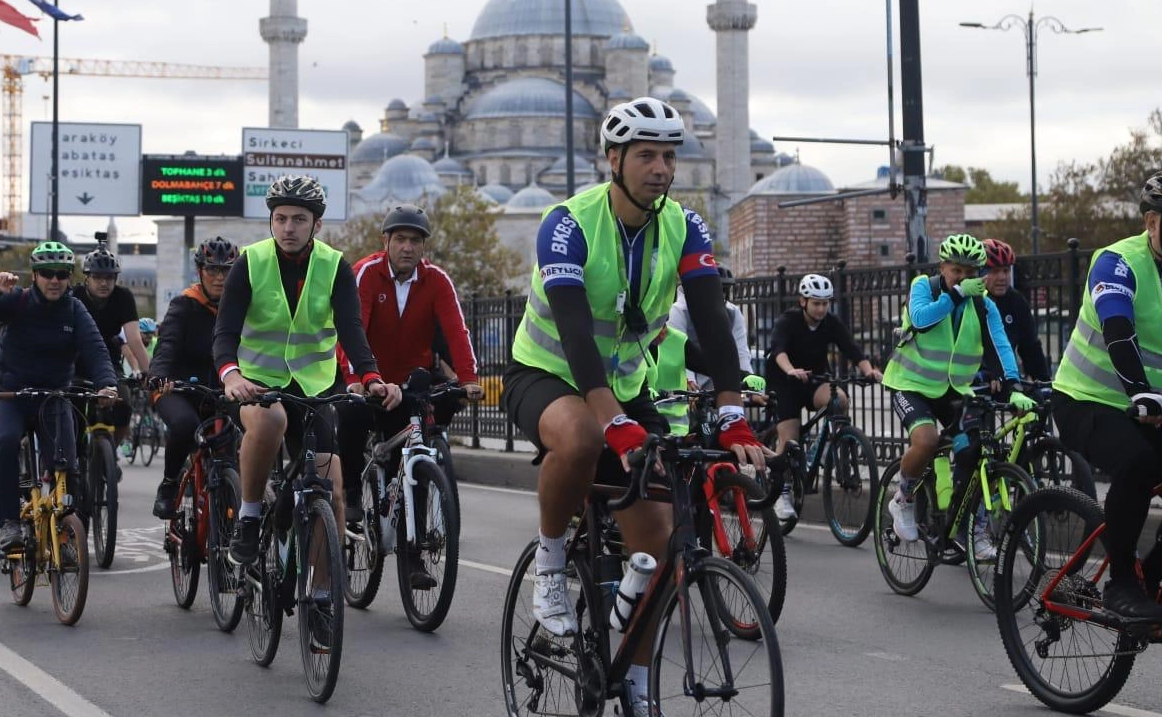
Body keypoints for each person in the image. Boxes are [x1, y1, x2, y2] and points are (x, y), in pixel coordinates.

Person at [502, 97, 766, 717]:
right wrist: (611, 419)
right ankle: (551, 560)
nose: (661, 168)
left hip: (625, 385)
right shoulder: (568, 223)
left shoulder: (685, 225)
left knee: (663, 540)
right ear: (613, 159)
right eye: (646, 155)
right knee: (581, 437)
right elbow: (574, 333)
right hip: (546, 373)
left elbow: (712, 323)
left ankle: (639, 686)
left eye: (669, 156)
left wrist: (732, 414)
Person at [1052, 167, 1162, 639]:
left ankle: (1146, 588)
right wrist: (1138, 389)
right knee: (1137, 463)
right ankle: (1120, 585)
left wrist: (1152, 400)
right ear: (1152, 222)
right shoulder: (1117, 262)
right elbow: (1118, 330)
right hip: (1088, 400)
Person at [211, 176, 395, 613]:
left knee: (332, 491)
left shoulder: (334, 266)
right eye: (280, 219)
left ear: (317, 224)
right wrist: (231, 375)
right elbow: (225, 332)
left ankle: (321, 594)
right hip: (256, 382)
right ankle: (250, 517)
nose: (288, 227)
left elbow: (351, 329)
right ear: (271, 221)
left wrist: (371, 377)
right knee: (272, 420)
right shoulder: (250, 262)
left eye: (298, 219)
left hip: (315, 385)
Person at [337, 204, 483, 590]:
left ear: (423, 246)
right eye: (400, 239)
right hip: (365, 377)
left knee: (414, 460)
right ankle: (351, 490)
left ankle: (413, 556)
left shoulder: (436, 280)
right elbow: (351, 329)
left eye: (415, 240)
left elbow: (456, 331)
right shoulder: (366, 273)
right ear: (385, 241)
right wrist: (357, 379)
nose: (407, 247)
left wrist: (468, 379)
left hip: (407, 384)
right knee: (351, 418)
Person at [0, 242, 118, 554]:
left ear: (69, 277)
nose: (54, 280)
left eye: (61, 274)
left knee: (67, 463)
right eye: (47, 273)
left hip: (53, 394)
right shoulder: (17, 300)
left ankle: (68, 527)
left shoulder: (75, 309)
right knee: (6, 442)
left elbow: (95, 349)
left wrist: (107, 385)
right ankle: (9, 521)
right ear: (34, 275)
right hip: (9, 392)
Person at [881, 233, 1021, 553]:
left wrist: (1013, 385)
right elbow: (921, 320)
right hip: (911, 384)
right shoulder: (924, 287)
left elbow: (1000, 344)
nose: (963, 277)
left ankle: (967, 527)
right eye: (956, 270)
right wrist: (955, 295)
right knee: (926, 441)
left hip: (953, 390)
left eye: (971, 272)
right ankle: (903, 497)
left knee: (974, 451)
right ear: (942, 267)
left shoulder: (983, 304)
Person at [764, 273, 882, 520]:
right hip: (785, 381)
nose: (821, 309)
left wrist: (868, 371)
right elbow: (778, 351)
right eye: (816, 303)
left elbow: (851, 348)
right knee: (790, 437)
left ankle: (836, 447)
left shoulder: (830, 322)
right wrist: (791, 370)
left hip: (815, 379)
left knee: (839, 400)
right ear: (803, 301)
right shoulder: (788, 321)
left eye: (825, 303)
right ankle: (781, 492)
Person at [148, 236, 239, 519]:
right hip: (179, 389)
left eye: (226, 270)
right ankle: (169, 484)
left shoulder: (241, 307)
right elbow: (167, 346)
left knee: (251, 428)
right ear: (200, 271)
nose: (219, 277)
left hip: (225, 391)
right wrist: (160, 376)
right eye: (212, 269)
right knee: (185, 425)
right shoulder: (184, 305)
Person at [70, 245, 151, 457]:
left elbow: (134, 339)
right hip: (75, 365)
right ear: (86, 278)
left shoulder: (123, 297)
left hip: (109, 364)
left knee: (124, 405)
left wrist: (150, 373)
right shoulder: (74, 296)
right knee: (72, 414)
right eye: (97, 277)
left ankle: (109, 456)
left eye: (109, 278)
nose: (104, 283)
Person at [978, 239, 1052, 383]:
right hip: (973, 379)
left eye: (1006, 271)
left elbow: (1030, 347)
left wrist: (1043, 381)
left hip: (1006, 378)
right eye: (994, 271)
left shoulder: (1016, 301)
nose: (1002, 277)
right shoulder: (971, 302)